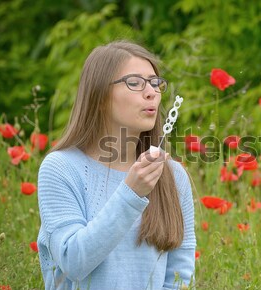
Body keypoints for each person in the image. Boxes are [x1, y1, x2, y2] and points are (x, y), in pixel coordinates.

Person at [37, 40, 196, 290]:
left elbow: (179, 278)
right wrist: (131, 193)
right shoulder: (61, 168)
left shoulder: (172, 176)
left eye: (156, 83)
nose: (151, 92)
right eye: (135, 83)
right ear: (99, 96)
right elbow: (73, 263)